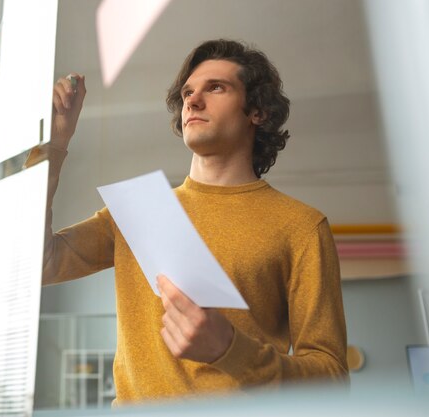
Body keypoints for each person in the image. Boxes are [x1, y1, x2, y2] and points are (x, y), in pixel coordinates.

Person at [41, 39, 349, 405]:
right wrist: (55, 147)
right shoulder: (138, 210)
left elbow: (332, 378)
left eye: (216, 87)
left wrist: (231, 350)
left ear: (258, 112)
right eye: (188, 92)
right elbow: (40, 266)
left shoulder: (302, 227)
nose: (193, 100)